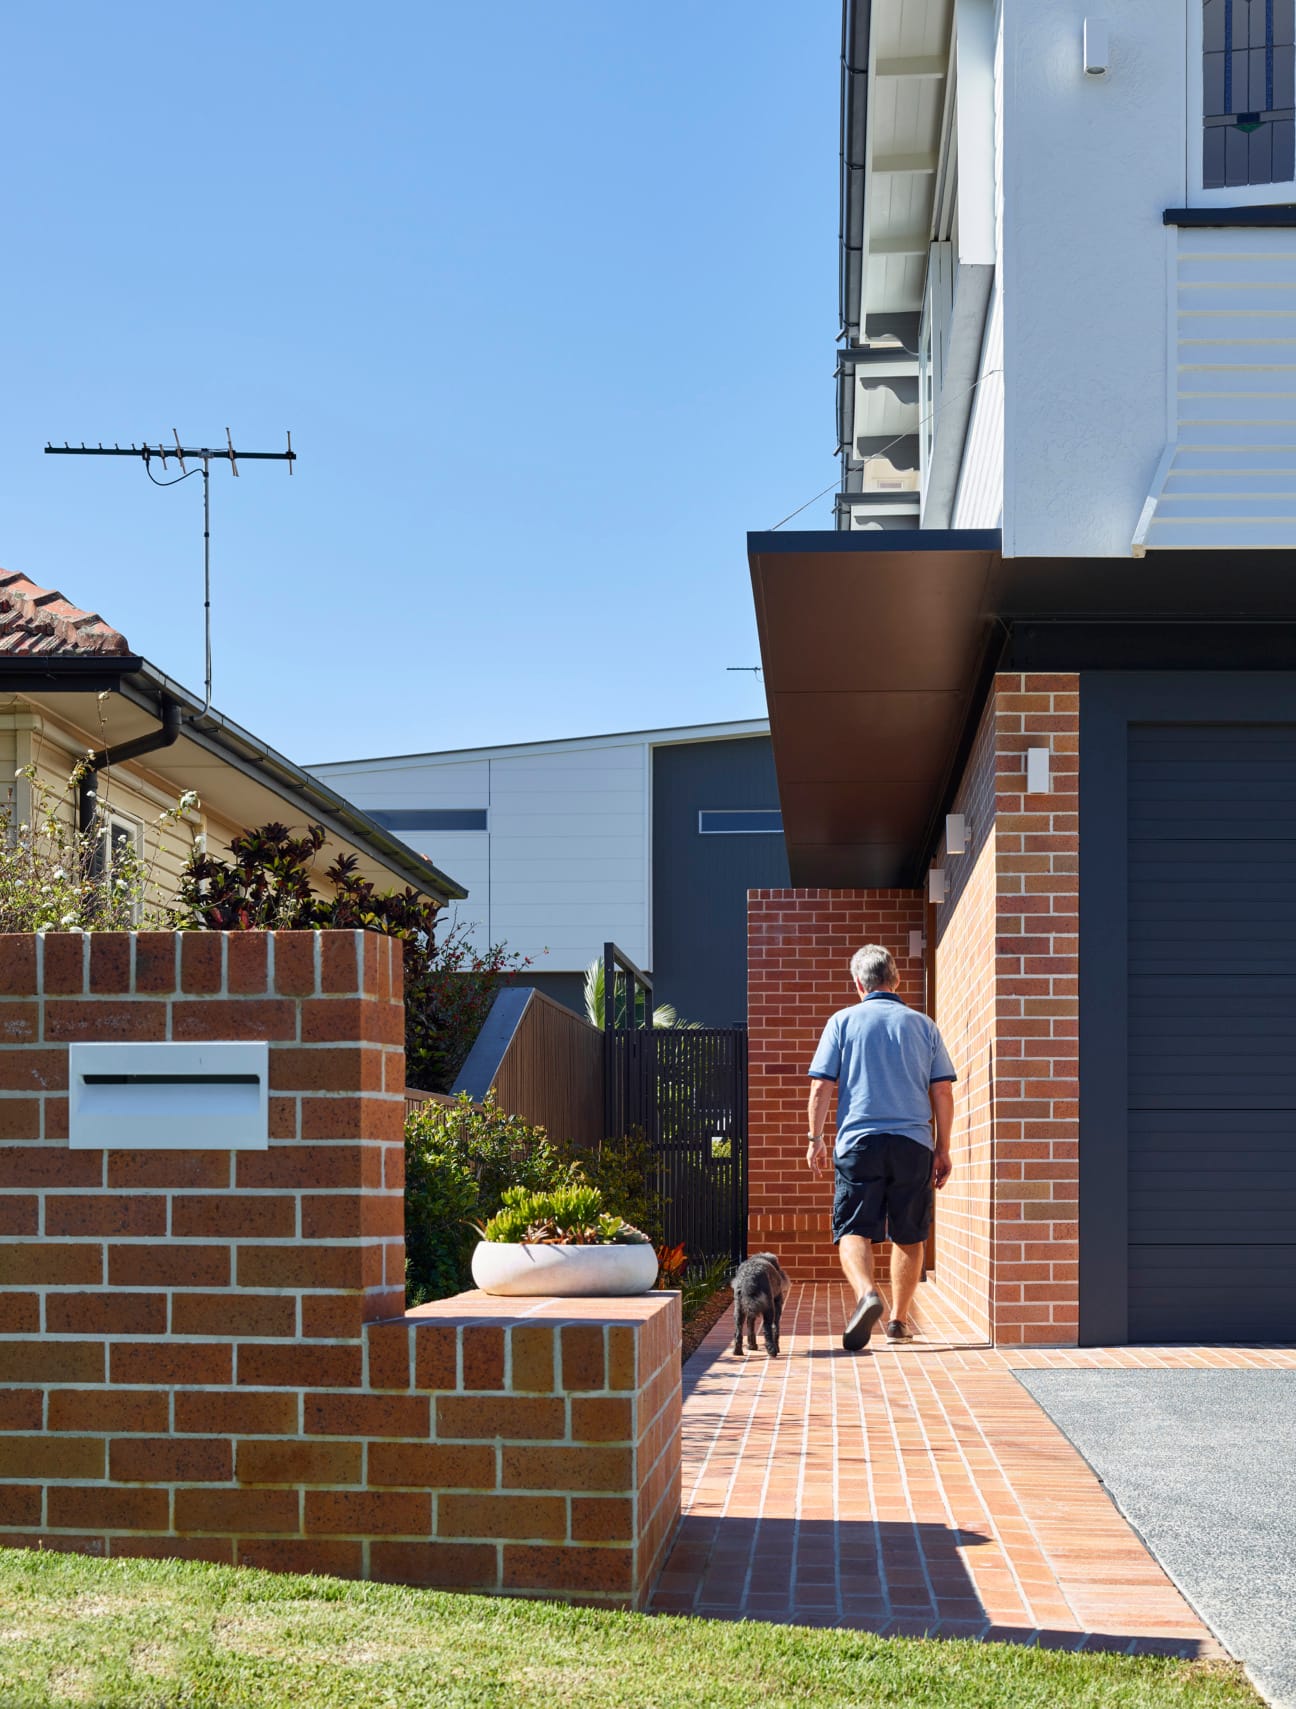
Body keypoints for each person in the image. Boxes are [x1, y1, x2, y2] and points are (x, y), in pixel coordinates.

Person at [805, 943, 955, 1351]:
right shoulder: (924, 1026)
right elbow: (941, 1090)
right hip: (913, 1144)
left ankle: (868, 1293)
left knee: (854, 1227)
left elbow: (821, 1086)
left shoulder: (842, 1022)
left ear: (858, 984)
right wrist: (943, 1147)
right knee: (909, 1232)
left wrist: (815, 1139)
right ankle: (898, 1322)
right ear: (897, 979)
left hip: (859, 1143)